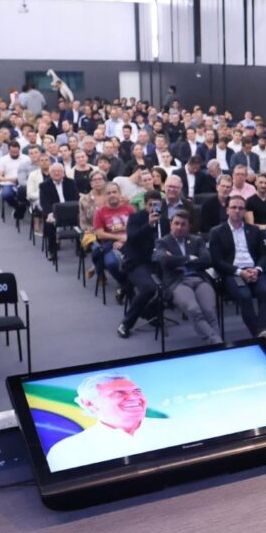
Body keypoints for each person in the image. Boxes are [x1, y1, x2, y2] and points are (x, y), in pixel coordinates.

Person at [47, 373, 178, 472]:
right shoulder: (66, 450)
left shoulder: (178, 428)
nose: (133, 398)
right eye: (118, 393)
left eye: (137, 391)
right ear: (90, 403)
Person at [209, 194, 266, 343]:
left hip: (254, 270)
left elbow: (264, 255)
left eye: (241, 208)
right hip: (233, 273)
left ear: (245, 211)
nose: (237, 211)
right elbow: (216, 261)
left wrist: (257, 269)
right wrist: (240, 272)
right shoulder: (217, 232)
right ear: (227, 210)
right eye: (234, 207)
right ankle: (261, 335)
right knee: (244, 296)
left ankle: (262, 333)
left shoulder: (255, 230)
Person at [155, 209, 221, 346]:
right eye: (176, 223)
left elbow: (207, 260)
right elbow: (164, 262)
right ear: (171, 224)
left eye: (183, 224)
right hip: (177, 282)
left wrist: (176, 259)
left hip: (199, 279)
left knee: (210, 311)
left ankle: (216, 345)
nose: (179, 227)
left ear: (189, 226)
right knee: (193, 309)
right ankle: (218, 344)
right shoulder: (162, 242)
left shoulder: (197, 240)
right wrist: (189, 258)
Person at [115, 198, 172, 339]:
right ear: (144, 205)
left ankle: (147, 312)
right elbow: (132, 238)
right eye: (150, 205)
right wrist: (149, 225)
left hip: (159, 263)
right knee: (150, 288)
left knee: (175, 287)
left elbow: (168, 240)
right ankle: (126, 323)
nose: (153, 209)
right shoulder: (136, 218)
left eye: (157, 205)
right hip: (137, 263)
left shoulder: (164, 221)